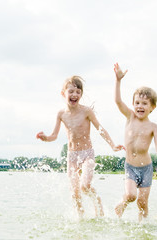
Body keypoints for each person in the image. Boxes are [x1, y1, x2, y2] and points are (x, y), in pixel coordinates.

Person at [36, 75, 124, 218]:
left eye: (78, 92)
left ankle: (98, 202)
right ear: (63, 93)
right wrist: (45, 138)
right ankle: (81, 218)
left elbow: (100, 129)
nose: (74, 95)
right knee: (74, 192)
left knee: (85, 186)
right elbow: (54, 136)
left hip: (87, 154)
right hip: (71, 156)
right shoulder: (61, 114)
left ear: (81, 95)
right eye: (71, 91)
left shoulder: (86, 111)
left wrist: (113, 145)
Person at [113, 63, 157, 221]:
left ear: (152, 107)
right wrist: (118, 80)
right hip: (130, 167)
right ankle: (122, 203)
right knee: (130, 195)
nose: (140, 106)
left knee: (142, 203)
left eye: (144, 103)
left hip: (146, 169)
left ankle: (143, 228)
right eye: (137, 103)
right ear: (133, 104)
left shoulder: (153, 126)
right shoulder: (130, 117)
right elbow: (117, 101)